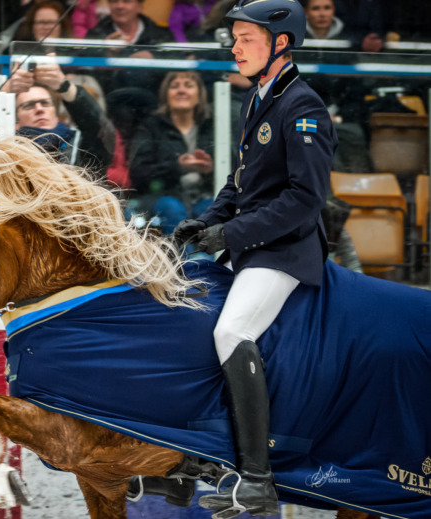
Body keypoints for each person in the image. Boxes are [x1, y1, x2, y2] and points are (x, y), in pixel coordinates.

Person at [173, 0, 337, 515]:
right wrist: (208, 219)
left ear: (280, 44)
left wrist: (232, 233)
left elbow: (303, 200)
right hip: (253, 245)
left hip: (284, 253)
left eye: (246, 38)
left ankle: (258, 481)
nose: (235, 47)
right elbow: (241, 182)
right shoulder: (259, 99)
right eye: (235, 38)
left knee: (231, 332)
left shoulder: (303, 107)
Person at [0, 59, 115, 176]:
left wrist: (64, 86)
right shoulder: (7, 148)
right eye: (29, 105)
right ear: (16, 122)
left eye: (45, 103)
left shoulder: (78, 145)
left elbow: (102, 131)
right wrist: (5, 90)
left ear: (56, 114)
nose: (39, 109)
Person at [129, 71, 214, 235]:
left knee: (212, 209)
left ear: (199, 95)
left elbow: (233, 170)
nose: (181, 90)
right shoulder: (150, 127)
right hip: (162, 197)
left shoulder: (211, 127)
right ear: (165, 95)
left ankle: (205, 260)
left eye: (188, 86)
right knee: (171, 208)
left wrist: (210, 171)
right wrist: (178, 167)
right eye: (175, 86)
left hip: (203, 196)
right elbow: (138, 172)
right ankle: (186, 261)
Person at [84, 0, 175, 93]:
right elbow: (85, 74)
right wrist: (108, 54)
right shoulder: (95, 35)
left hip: (155, 102)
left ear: (140, 6)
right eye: (114, 1)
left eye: (126, 1)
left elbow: (177, 69)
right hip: (111, 102)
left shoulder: (161, 35)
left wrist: (154, 59)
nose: (119, 6)